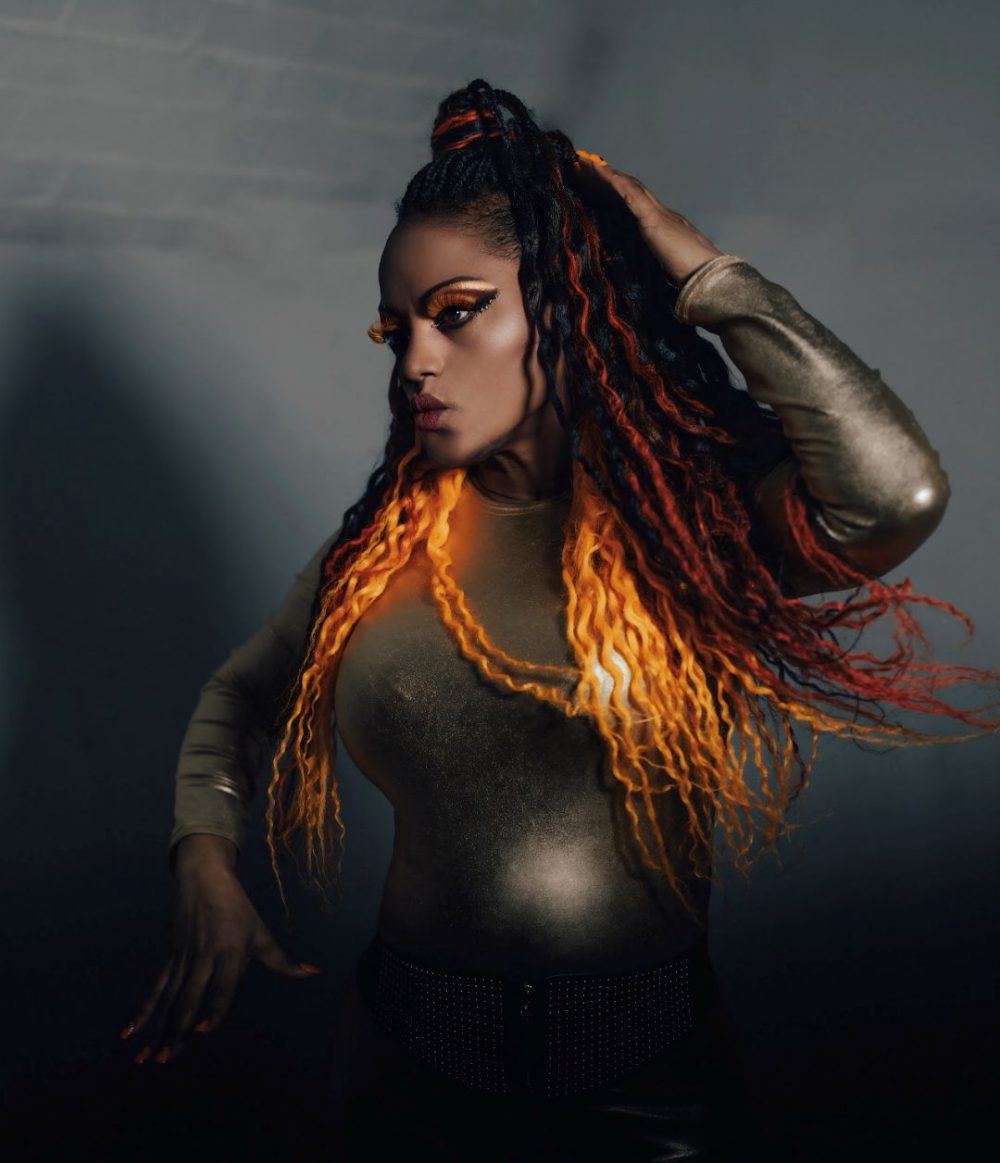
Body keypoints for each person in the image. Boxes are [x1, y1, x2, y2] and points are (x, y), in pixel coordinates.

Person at [119, 80, 1000, 1160]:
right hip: (406, 1065)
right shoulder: (383, 547)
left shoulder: (691, 528)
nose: (415, 361)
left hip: (647, 1080)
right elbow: (242, 693)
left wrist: (708, 275)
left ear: (568, 303)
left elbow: (894, 494)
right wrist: (204, 860)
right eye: (397, 328)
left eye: (456, 311)